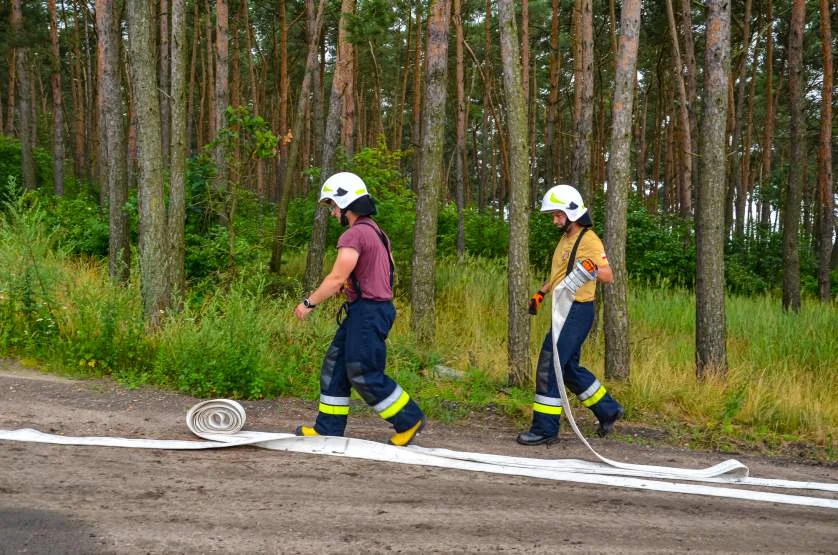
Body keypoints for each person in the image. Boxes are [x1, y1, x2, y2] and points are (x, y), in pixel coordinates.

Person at [293, 171, 426, 446]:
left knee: (363, 371)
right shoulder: (377, 232)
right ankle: (328, 428)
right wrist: (358, 286)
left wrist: (308, 303)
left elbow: (335, 278)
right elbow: (386, 269)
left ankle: (408, 418)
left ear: (346, 202)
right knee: (336, 366)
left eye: (333, 205)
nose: (332, 213)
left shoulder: (354, 235)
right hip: (370, 309)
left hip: (368, 312)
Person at [517, 184, 624, 446]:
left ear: (571, 213)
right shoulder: (567, 240)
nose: (554, 220)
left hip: (577, 311)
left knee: (549, 364)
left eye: (557, 215)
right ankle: (608, 410)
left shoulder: (589, 240)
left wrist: (591, 269)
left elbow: (608, 275)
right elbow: (560, 275)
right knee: (567, 368)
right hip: (564, 308)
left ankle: (545, 429)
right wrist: (541, 294)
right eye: (553, 215)